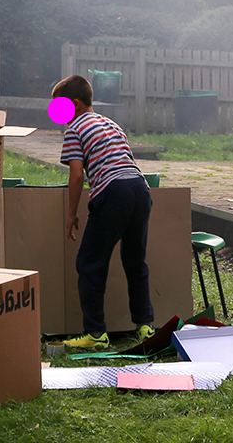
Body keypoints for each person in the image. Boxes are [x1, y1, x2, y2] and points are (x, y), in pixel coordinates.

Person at [56, 73, 154, 350]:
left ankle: (96, 334)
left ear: (74, 104)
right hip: (140, 189)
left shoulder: (75, 129)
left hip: (113, 191)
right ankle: (145, 326)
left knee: (89, 263)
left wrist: (71, 213)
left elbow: (76, 176)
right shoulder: (112, 123)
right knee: (135, 261)